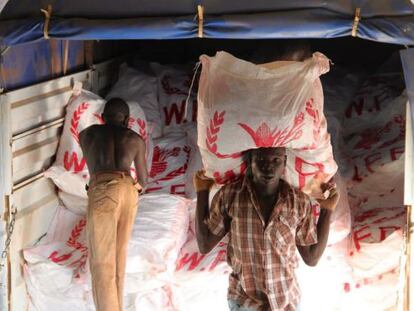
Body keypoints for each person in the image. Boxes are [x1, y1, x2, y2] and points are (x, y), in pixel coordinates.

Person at [194, 147, 339, 311]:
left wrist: (327, 210)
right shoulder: (229, 195)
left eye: (276, 160)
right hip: (246, 302)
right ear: (250, 162)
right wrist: (202, 191)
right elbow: (205, 244)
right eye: (261, 160)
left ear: (284, 163)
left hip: (286, 301)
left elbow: (312, 258)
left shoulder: (299, 202)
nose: (268, 167)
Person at [79, 97, 147, 311]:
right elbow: (143, 180)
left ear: (101, 117)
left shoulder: (87, 134)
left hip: (102, 188)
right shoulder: (134, 139)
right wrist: (131, 189)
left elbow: (90, 158)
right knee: (119, 258)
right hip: (128, 189)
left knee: (102, 262)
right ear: (127, 119)